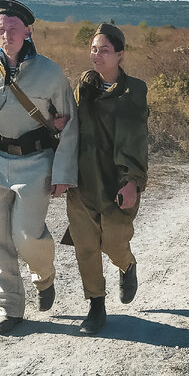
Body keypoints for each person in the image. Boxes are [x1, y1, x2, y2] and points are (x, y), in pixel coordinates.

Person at [0, 0, 78, 336]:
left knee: (25, 236)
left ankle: (44, 275)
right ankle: (9, 307)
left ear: (27, 31)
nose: (6, 34)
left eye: (13, 28)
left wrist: (64, 174)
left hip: (37, 162)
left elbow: (70, 125)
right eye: (0, 29)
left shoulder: (50, 72)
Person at [66, 24, 149, 335]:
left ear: (120, 54)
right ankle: (96, 305)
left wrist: (133, 181)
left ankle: (127, 266)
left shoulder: (134, 91)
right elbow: (69, 131)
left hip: (117, 181)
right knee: (86, 245)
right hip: (83, 179)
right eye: (92, 49)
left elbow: (138, 139)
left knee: (114, 242)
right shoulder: (82, 88)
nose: (95, 55)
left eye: (103, 50)